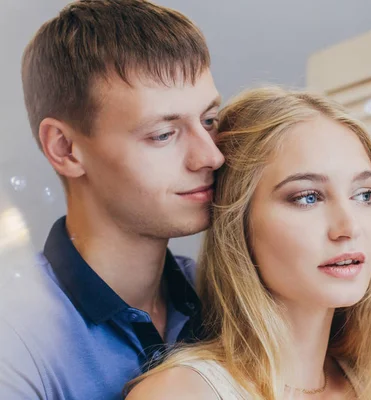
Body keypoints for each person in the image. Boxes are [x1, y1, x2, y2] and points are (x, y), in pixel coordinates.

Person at [126, 86, 371, 399]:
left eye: (365, 194)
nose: (349, 227)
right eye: (307, 197)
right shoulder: (180, 394)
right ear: (238, 222)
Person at [0, 1, 223, 399]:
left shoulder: (226, 297)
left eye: (208, 121)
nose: (210, 156)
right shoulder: (13, 337)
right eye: (162, 134)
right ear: (66, 148)